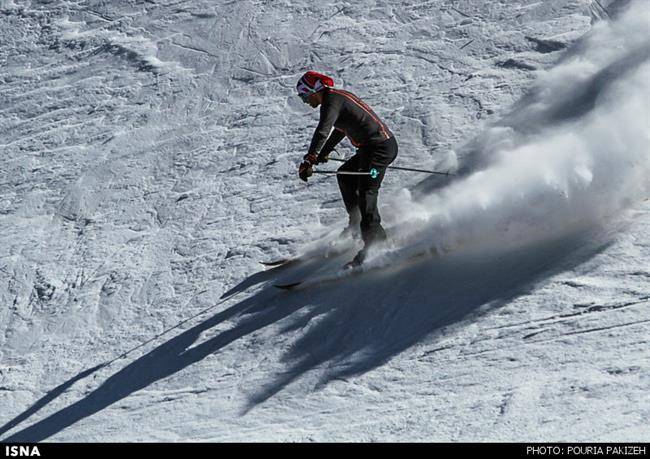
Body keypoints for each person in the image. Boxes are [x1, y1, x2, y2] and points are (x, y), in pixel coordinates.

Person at [296, 71, 398, 266]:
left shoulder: (332, 101)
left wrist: (309, 160)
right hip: (369, 150)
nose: (304, 101)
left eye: (304, 96)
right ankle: (357, 224)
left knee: (366, 192)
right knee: (344, 175)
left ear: (313, 91)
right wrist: (322, 153)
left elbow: (323, 130)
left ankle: (376, 244)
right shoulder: (336, 98)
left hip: (380, 149)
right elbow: (340, 129)